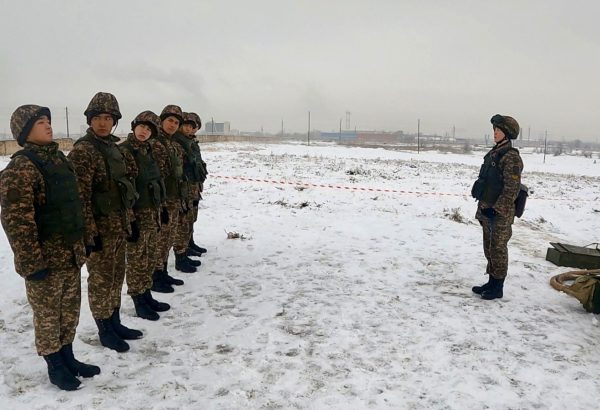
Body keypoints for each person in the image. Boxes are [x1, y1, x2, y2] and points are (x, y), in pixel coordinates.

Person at [0, 105, 100, 390]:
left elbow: (78, 204)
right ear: (24, 130)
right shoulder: (20, 169)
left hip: (70, 254)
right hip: (45, 260)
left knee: (69, 311)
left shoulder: (60, 160)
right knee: (47, 316)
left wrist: (87, 238)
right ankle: (54, 365)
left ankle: (68, 356)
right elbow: (17, 223)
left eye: (48, 121)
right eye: (40, 122)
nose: (48, 126)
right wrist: (32, 264)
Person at [68, 92, 141, 352]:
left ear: (115, 121)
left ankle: (115, 321)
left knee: (116, 276)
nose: (102, 123)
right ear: (89, 120)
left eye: (108, 118)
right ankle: (104, 329)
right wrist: (90, 233)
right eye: (97, 117)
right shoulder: (83, 151)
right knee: (100, 280)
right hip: (99, 230)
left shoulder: (114, 149)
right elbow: (80, 197)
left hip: (118, 226)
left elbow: (126, 189)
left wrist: (130, 221)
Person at [119, 111, 171, 320]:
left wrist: (163, 208)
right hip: (137, 216)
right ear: (134, 126)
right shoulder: (124, 151)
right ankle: (138, 298)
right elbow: (124, 190)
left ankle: (146, 293)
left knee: (149, 256)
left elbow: (157, 181)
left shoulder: (148, 150)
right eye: (141, 126)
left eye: (149, 129)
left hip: (152, 213)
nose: (144, 131)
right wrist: (130, 220)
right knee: (137, 260)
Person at [471, 114, 523, 300]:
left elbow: (512, 188)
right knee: (489, 248)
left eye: (498, 130)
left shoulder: (511, 158)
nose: (494, 133)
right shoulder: (495, 153)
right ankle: (491, 282)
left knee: (498, 249)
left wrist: (497, 209)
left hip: (499, 214)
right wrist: (484, 209)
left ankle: (498, 287)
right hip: (487, 210)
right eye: (494, 130)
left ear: (507, 134)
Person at [171, 112, 207, 270]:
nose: (190, 129)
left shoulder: (190, 142)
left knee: (191, 218)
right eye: (187, 125)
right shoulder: (178, 142)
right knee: (183, 221)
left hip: (194, 186)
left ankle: (188, 244)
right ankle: (181, 255)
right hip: (184, 188)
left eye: (193, 126)